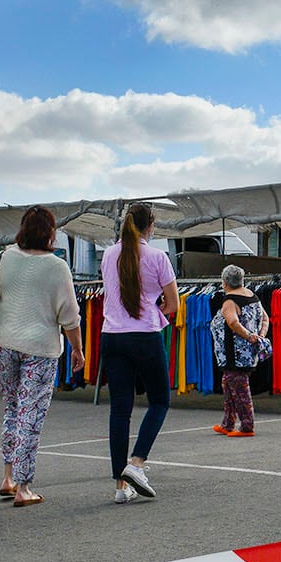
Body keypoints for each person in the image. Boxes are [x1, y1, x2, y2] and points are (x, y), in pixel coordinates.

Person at [0, 206, 82, 507]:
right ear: (50, 233)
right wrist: (78, 349)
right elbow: (69, 316)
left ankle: (7, 476)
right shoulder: (57, 267)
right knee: (31, 414)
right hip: (40, 348)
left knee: (12, 407)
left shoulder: (4, 257)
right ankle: (23, 487)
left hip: (4, 343)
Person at [101, 201, 179, 505]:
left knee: (119, 410)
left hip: (112, 335)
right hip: (144, 336)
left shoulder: (109, 255)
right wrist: (157, 310)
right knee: (160, 400)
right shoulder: (158, 257)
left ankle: (121, 486)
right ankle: (136, 464)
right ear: (151, 226)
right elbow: (173, 304)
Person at [213, 265, 269, 438]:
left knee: (240, 388)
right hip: (246, 353)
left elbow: (232, 322)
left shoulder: (230, 300)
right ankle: (228, 423)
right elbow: (265, 318)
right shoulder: (254, 296)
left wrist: (249, 336)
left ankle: (247, 426)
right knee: (228, 384)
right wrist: (259, 335)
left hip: (235, 354)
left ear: (225, 282)